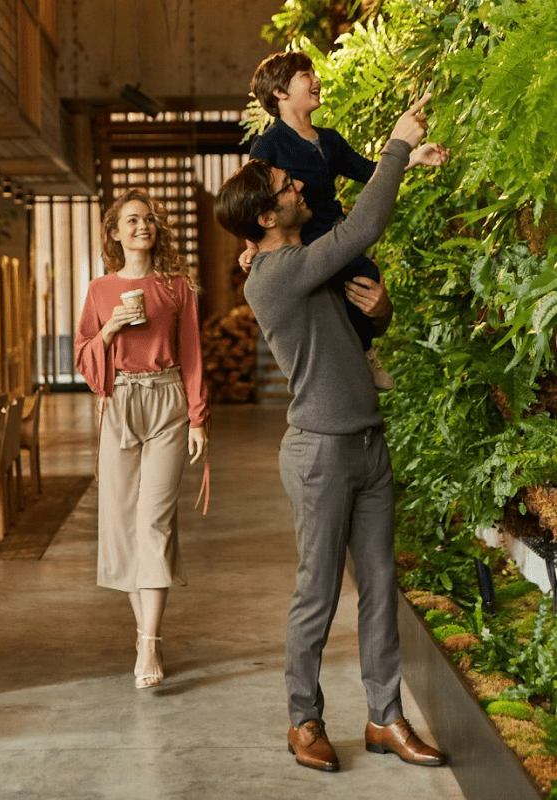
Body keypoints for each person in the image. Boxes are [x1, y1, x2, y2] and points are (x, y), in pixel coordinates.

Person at [214, 97, 447, 772]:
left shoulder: (307, 259)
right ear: (266, 217)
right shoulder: (274, 274)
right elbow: (365, 225)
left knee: (379, 585)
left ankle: (385, 718)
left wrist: (384, 311)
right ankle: (304, 719)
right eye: (288, 188)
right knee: (316, 593)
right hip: (319, 450)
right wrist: (398, 146)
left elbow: (344, 340)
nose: (300, 187)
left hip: (367, 442)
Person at [246, 50, 449, 389]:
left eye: (314, 72)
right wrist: (253, 247)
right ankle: (340, 372)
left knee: (367, 277)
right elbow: (251, 200)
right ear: (280, 93)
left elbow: (370, 172)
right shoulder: (267, 144)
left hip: (338, 233)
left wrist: (413, 156)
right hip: (303, 244)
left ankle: (366, 352)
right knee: (328, 302)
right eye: (305, 76)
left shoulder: (330, 140)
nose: (317, 80)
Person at [75, 188, 209, 689]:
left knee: (154, 522)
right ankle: (143, 634)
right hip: (120, 405)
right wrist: (109, 327)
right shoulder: (99, 290)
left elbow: (192, 353)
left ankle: (149, 643)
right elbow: (85, 358)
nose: (142, 226)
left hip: (167, 400)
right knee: (122, 526)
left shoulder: (177, 287)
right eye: (131, 220)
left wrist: (198, 418)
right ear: (114, 232)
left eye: (149, 219)